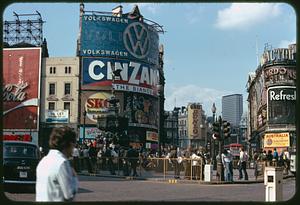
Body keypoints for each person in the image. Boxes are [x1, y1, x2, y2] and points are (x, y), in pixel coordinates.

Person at [36, 126, 78, 202]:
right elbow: (69, 194)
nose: (73, 150)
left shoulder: (43, 161)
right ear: (70, 144)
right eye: (73, 145)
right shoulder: (62, 163)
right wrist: (74, 178)